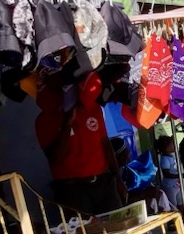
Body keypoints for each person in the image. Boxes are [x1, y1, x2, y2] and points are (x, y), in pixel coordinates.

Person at [35, 73, 126, 217]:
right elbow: (56, 158)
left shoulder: (93, 108)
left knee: (118, 231)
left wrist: (118, 179)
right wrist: (67, 124)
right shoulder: (44, 121)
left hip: (104, 184)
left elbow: (105, 144)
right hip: (72, 190)